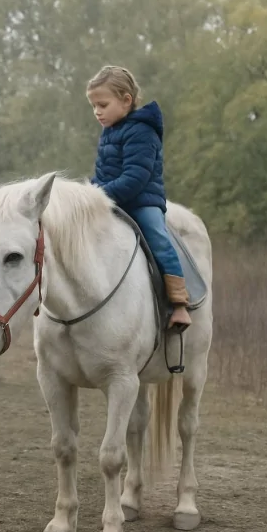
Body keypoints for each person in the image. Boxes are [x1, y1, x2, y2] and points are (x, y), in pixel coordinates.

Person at [86, 65, 192, 332]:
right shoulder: (109, 130)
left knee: (158, 238)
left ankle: (179, 302)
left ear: (126, 100)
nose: (97, 111)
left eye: (102, 104)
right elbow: (103, 172)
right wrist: (89, 191)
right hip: (113, 199)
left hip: (142, 200)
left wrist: (100, 195)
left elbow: (135, 178)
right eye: (94, 106)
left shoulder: (142, 131)